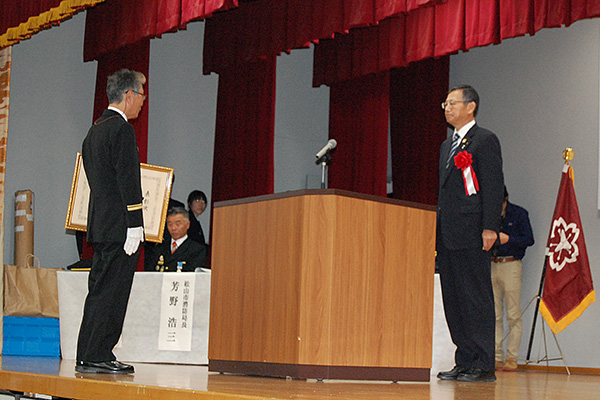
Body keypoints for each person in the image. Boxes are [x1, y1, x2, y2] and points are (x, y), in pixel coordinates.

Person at [75, 69, 146, 375]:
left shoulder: (95, 130)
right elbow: (127, 179)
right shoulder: (121, 129)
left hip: (101, 224)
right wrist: (135, 222)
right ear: (128, 95)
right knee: (114, 292)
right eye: (141, 95)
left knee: (99, 290)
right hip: (120, 226)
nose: (143, 102)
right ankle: (101, 353)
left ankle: (86, 352)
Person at [436, 85, 504, 382]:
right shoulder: (446, 145)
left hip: (473, 231)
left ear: (470, 106)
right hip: (448, 234)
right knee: (454, 298)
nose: (447, 108)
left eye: (452, 103)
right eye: (446, 104)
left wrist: (490, 226)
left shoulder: (485, 140)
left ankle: (483, 363)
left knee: (475, 297)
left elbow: (493, 185)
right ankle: (464, 358)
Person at [492, 187, 534, 371]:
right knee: (494, 315)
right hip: (492, 264)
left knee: (513, 314)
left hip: (511, 264)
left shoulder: (519, 213)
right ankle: (495, 357)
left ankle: (512, 358)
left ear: (506, 199)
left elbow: (529, 239)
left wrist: (508, 239)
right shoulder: (489, 216)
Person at [146, 206, 207, 271]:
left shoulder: (197, 250)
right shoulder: (159, 248)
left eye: (178, 224)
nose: (173, 228)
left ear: (187, 225)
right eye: (170, 224)